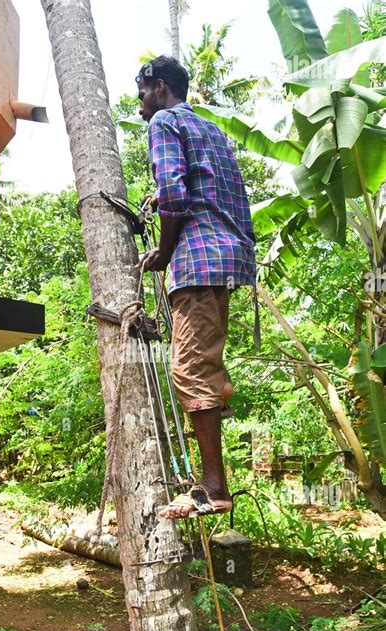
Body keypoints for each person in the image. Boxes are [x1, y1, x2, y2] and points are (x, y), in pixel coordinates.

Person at [136, 55, 257, 519]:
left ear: (161, 88)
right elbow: (208, 191)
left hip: (197, 261)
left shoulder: (165, 122)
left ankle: (213, 487)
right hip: (227, 257)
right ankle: (219, 403)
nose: (142, 106)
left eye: (144, 94)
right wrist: (160, 197)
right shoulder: (212, 131)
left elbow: (177, 193)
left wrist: (163, 254)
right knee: (205, 364)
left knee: (188, 368)